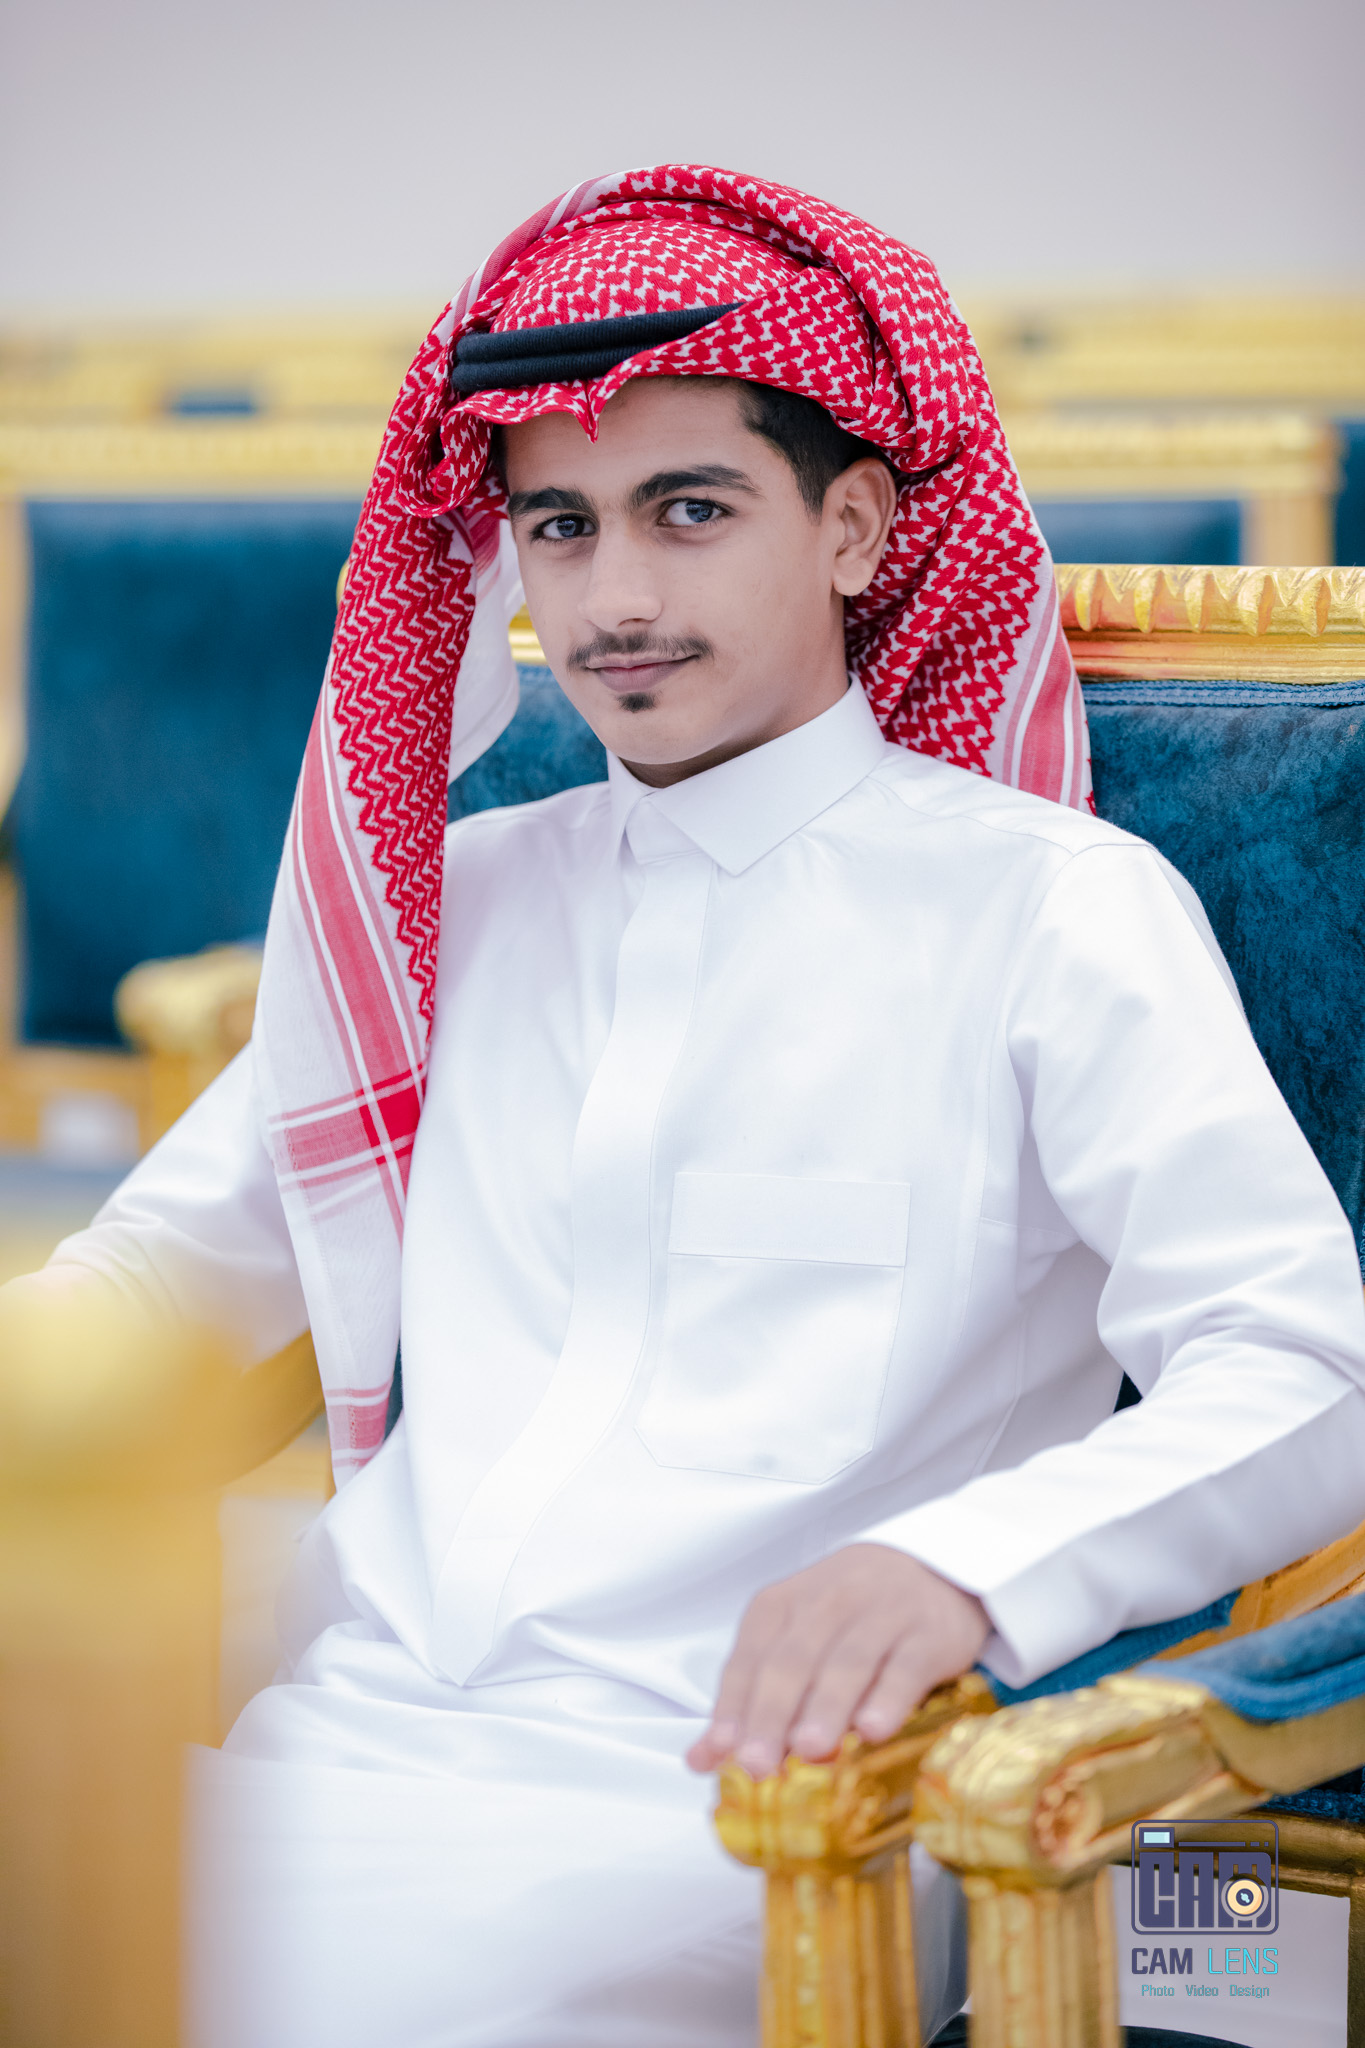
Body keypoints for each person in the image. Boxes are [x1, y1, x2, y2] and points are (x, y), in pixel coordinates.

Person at [17, 166, 1365, 2046]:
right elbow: (152, 1282)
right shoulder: (462, 901)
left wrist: (956, 1573)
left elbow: (1301, 1365)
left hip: (750, 1824)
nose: (616, 599)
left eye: (691, 510)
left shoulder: (1049, 912)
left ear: (854, 526)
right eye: (558, 528)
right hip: (323, 1745)